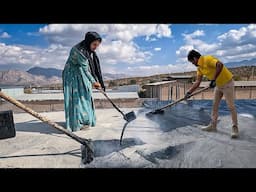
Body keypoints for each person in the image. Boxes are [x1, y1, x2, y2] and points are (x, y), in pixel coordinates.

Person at [185, 50, 239, 138]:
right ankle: (213, 126)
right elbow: (198, 82)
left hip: (227, 83)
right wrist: (189, 92)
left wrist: (213, 79)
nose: (192, 63)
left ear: (195, 58)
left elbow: (220, 64)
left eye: (192, 61)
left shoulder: (207, 59)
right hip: (218, 85)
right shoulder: (199, 68)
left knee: (231, 106)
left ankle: (235, 128)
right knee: (214, 106)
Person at [62, 31, 105, 132]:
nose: (95, 47)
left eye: (97, 45)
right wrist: (94, 82)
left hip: (80, 72)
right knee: (77, 99)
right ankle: (77, 123)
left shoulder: (86, 49)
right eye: (94, 44)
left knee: (86, 95)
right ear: (89, 41)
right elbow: (86, 69)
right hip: (72, 75)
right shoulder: (79, 51)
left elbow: (90, 67)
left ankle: (86, 120)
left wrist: (98, 82)